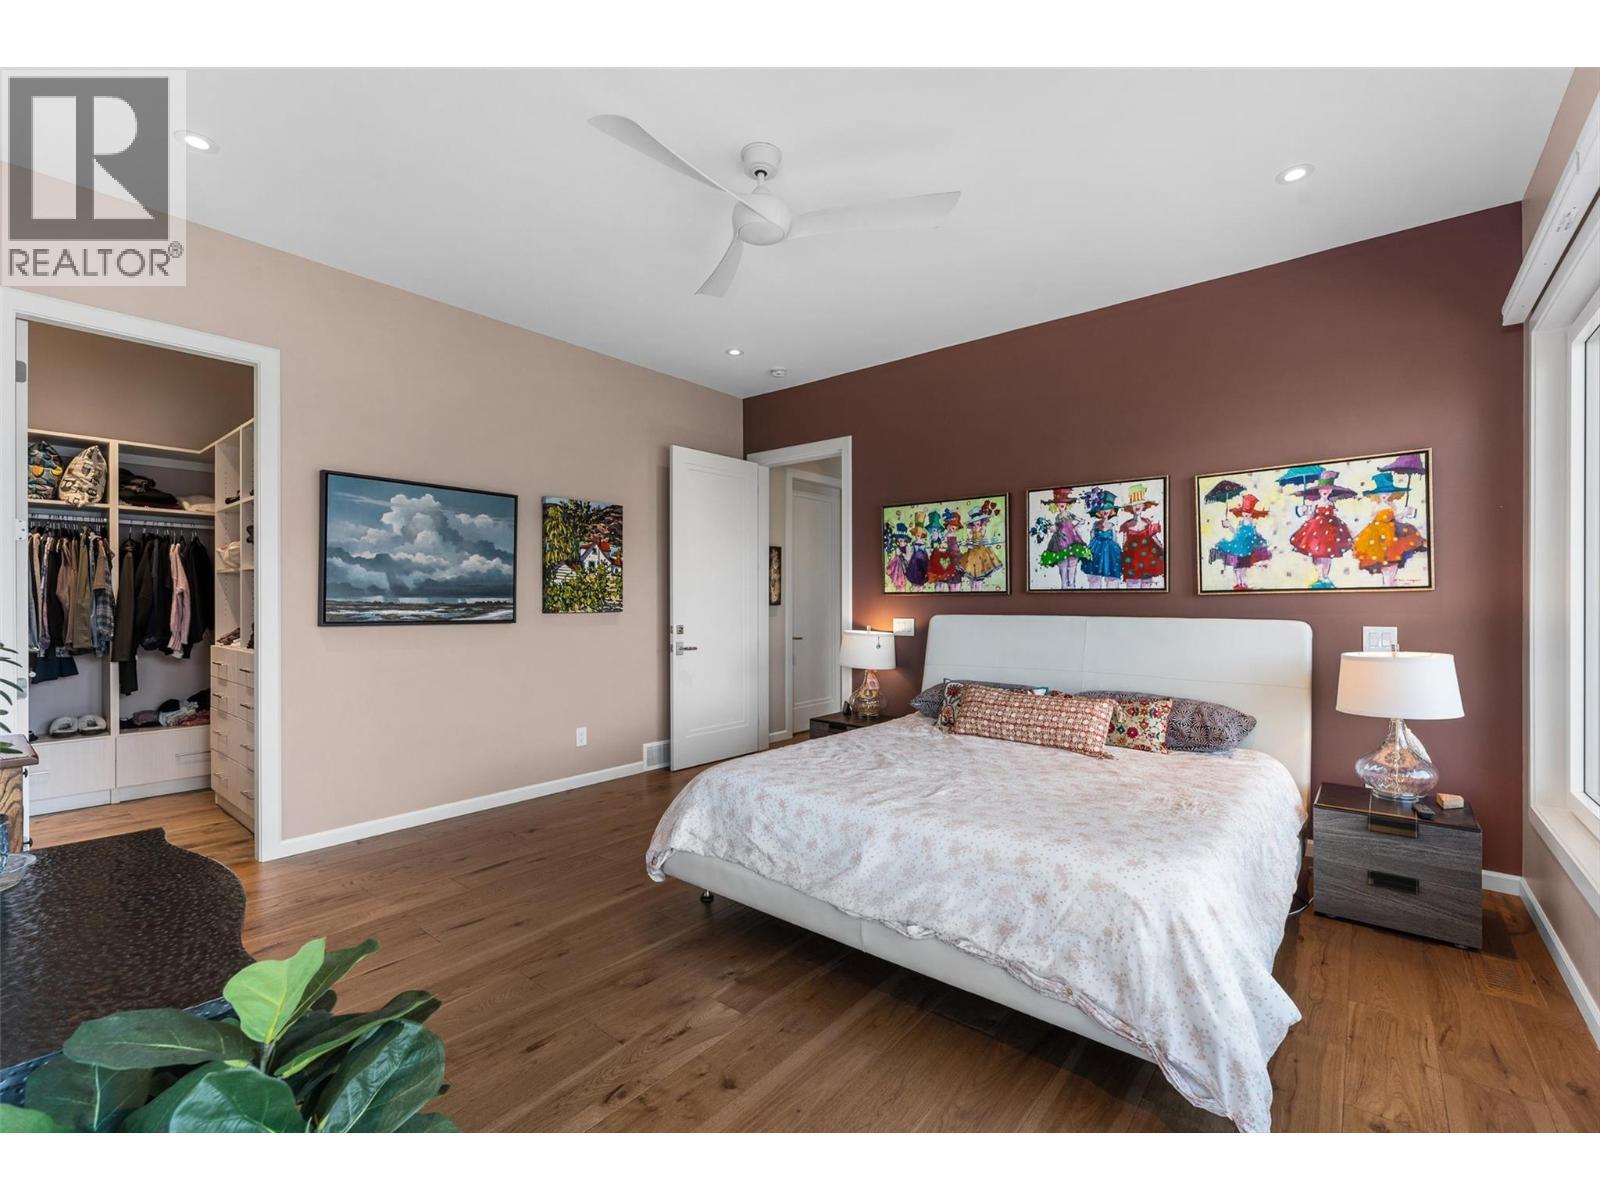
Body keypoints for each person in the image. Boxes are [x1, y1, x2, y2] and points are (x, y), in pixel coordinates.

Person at [1353, 471, 1426, 587]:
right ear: (1377, 494)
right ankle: (1387, 582)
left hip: (1392, 531)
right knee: (1383, 557)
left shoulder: (1392, 505)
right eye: (1382, 492)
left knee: (1393, 556)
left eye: (1387, 492)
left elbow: (1396, 519)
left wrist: (1405, 513)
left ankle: (1389, 582)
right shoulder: (1376, 506)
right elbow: (1372, 520)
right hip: (1378, 534)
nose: (1385, 494)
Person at [1288, 470, 1354, 589]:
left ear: (1331, 491)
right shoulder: (1316, 503)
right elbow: (1310, 517)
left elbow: (1334, 515)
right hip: (1316, 531)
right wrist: (1305, 511)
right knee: (1317, 553)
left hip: (1331, 531)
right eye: (1323, 489)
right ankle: (1320, 576)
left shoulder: (1331, 503)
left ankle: (1325, 576)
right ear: (1319, 491)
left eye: (1328, 490)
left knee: (1328, 554)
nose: (1325, 492)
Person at [1209, 493, 1272, 591]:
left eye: (1248, 512)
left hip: (1247, 548)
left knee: (1244, 567)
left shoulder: (1253, 524)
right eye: (1244, 512)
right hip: (1238, 548)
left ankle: (1243, 583)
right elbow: (1235, 533)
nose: (1246, 514)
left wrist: (1257, 539)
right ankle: (1239, 583)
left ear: (1251, 513)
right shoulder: (1240, 523)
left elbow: (1254, 535)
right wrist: (1228, 525)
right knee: (1237, 567)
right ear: (1242, 512)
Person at [1118, 483, 1165, 588]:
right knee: (1132, 586)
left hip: (1148, 561)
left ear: (1144, 506)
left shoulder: (1149, 524)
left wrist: (1163, 550)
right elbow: (1124, 544)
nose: (1137, 506)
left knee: (1146, 586)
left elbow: (1155, 539)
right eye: (1134, 504)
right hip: (1132, 562)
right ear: (1131, 507)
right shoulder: (1127, 525)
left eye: (1139, 503)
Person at [1082, 487, 1123, 588]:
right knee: (1094, 578)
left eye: (1108, 508)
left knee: (1111, 578)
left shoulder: (1112, 526)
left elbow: (1115, 539)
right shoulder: (1095, 525)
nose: (1105, 511)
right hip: (1096, 552)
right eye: (1103, 509)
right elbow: (1091, 539)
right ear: (1098, 511)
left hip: (1110, 553)